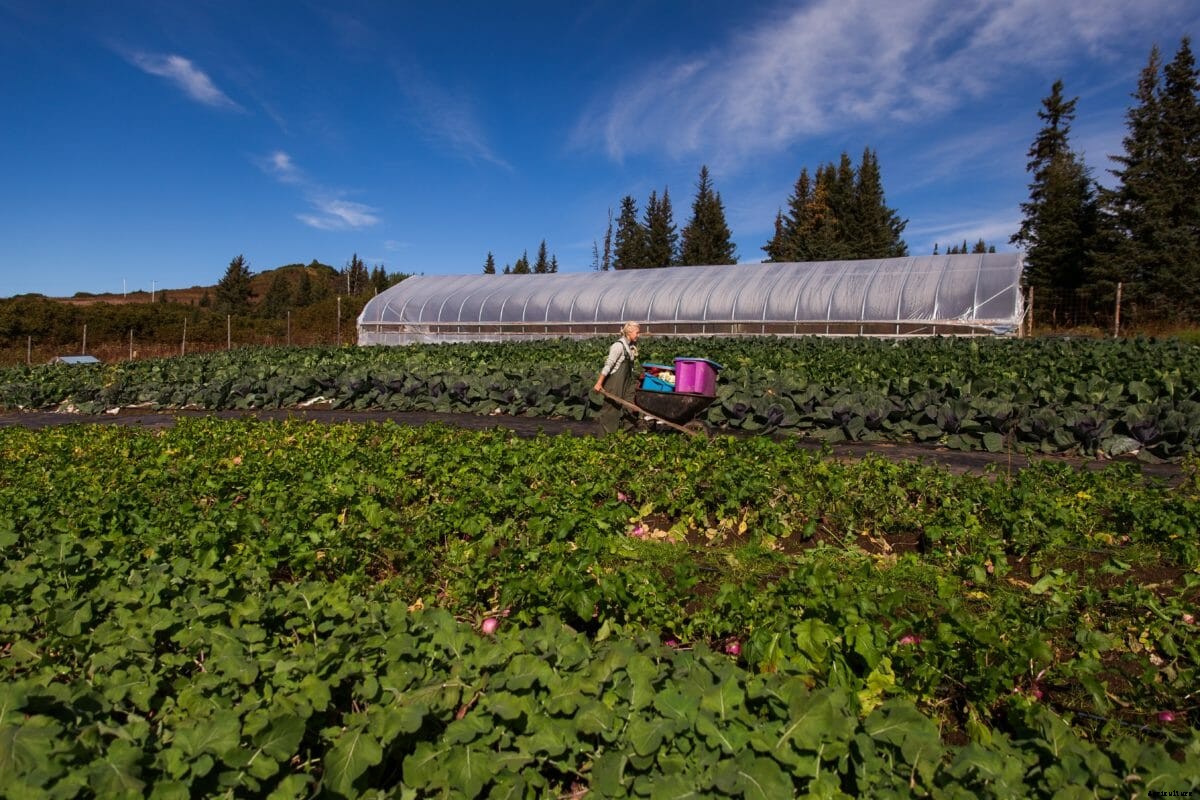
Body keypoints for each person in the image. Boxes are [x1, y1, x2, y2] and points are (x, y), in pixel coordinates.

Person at [593, 321, 641, 433]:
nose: (638, 335)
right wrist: (599, 383)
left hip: (627, 383)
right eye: (637, 332)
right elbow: (608, 365)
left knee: (630, 409)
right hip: (615, 384)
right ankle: (604, 442)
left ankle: (627, 439)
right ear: (629, 332)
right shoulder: (618, 346)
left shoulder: (630, 347)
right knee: (611, 411)